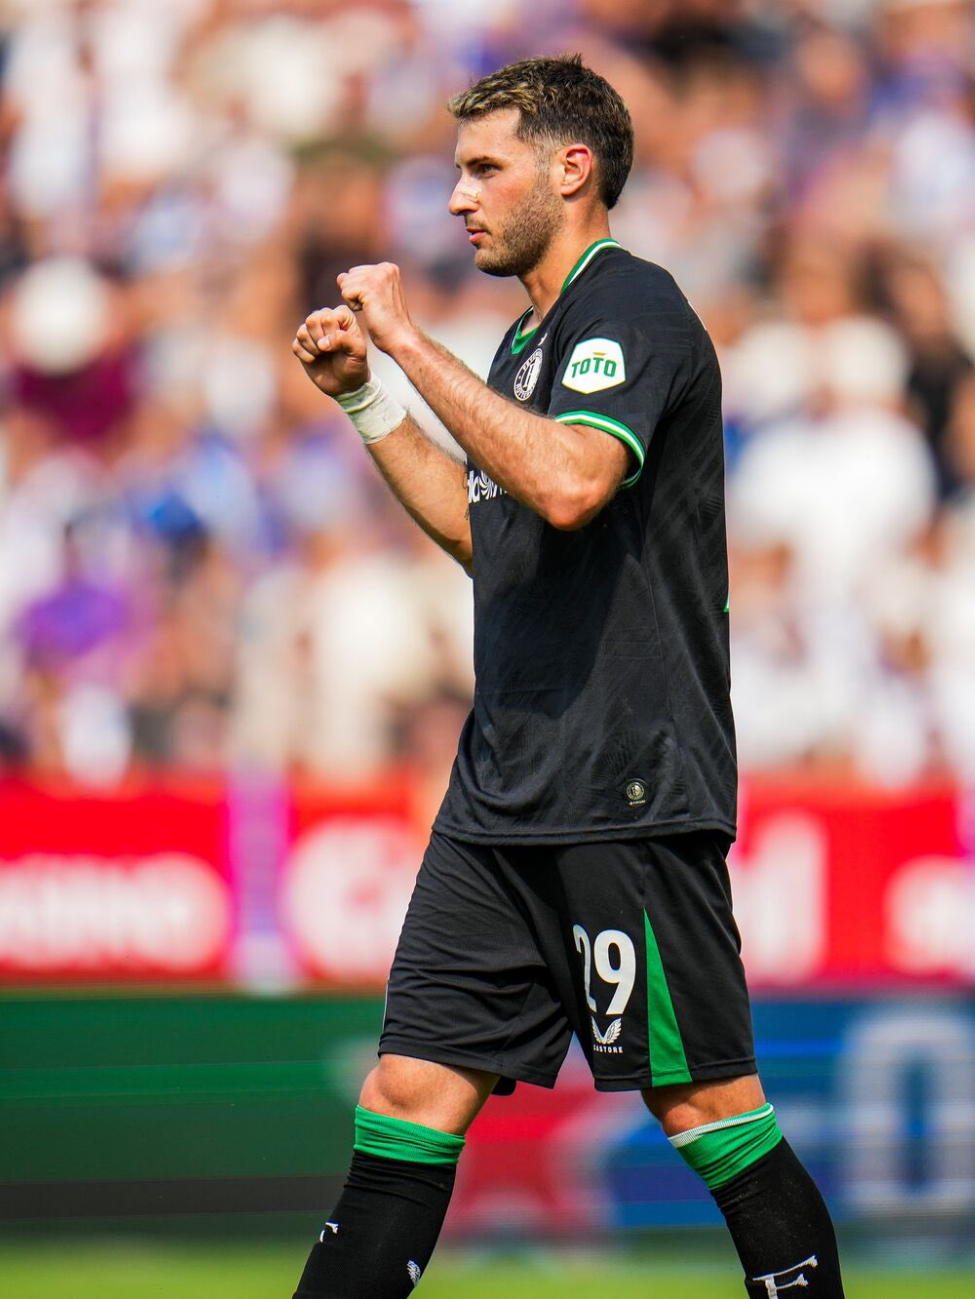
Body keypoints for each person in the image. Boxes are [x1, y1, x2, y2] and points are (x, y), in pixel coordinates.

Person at [290, 54, 845, 1299]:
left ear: (571, 168)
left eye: (485, 167)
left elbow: (571, 484)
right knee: (410, 1093)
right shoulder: (530, 345)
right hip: (506, 789)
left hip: (625, 782)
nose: (456, 198)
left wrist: (408, 340)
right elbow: (499, 539)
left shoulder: (633, 311)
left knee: (705, 1104)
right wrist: (371, 400)